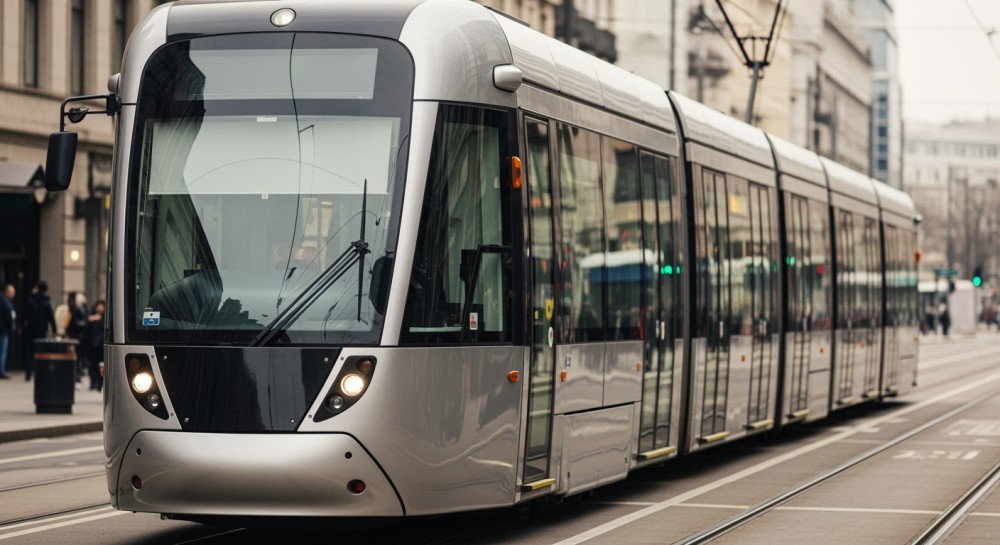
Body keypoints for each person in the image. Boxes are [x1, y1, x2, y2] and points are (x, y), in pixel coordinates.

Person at [23, 281, 57, 381]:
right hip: (42, 330)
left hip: (30, 329)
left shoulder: (31, 300)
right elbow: (51, 317)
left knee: (29, 351)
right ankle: (39, 372)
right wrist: (54, 329)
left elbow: (24, 314)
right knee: (41, 352)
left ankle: (28, 373)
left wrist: (22, 326)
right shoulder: (47, 301)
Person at [81, 300, 105, 391]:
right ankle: (93, 383)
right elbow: (86, 332)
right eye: (98, 306)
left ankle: (100, 383)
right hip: (92, 345)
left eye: (101, 306)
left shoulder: (105, 318)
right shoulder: (91, 317)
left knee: (102, 365)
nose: (99, 308)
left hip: (101, 345)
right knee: (92, 365)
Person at [0, 284, 14, 379]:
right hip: (3, 330)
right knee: (2, 352)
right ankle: (1, 371)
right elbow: (9, 317)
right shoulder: (5, 302)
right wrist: (11, 327)